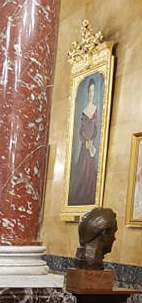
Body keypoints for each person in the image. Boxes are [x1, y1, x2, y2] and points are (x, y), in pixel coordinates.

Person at [69, 76, 99, 206]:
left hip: (90, 145)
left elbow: (96, 128)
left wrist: (91, 141)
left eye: (93, 91)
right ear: (87, 92)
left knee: (90, 172)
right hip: (84, 146)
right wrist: (84, 141)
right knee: (81, 171)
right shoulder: (83, 111)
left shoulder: (96, 110)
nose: (91, 94)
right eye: (90, 91)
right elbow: (81, 130)